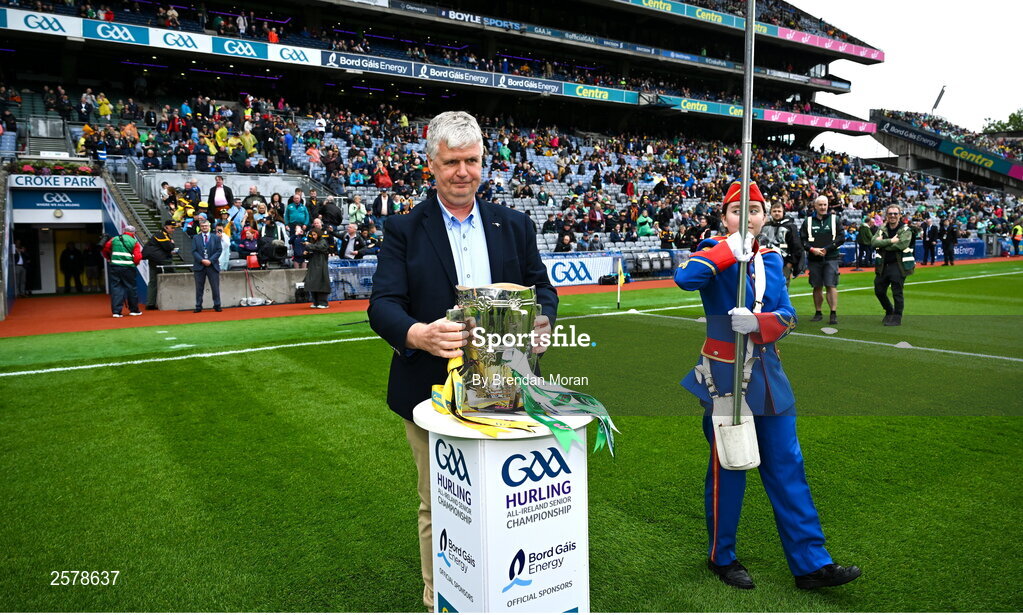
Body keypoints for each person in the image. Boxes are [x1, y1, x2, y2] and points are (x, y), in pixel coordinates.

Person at [367, 110, 557, 612]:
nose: (462, 172)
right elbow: (382, 304)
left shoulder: (514, 225)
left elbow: (542, 288)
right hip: (431, 389)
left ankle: (508, 590)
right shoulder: (403, 228)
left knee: (508, 498)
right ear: (431, 163)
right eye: (452, 162)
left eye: (471, 161)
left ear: (483, 163)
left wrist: (543, 321)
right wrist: (418, 334)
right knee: (440, 501)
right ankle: (440, 595)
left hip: (510, 384)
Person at [674, 181, 861, 591]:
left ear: (765, 216)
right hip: (725, 380)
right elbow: (685, 279)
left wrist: (760, 324)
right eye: (738, 210)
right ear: (725, 217)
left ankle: (811, 564)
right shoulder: (711, 251)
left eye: (755, 210)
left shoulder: (772, 260)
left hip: (769, 378)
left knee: (788, 469)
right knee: (730, 470)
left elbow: (789, 315)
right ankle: (722, 557)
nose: (749, 217)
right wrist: (729, 249)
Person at [800, 196, 842, 324]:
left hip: (831, 257)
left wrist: (826, 249)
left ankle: (833, 313)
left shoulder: (835, 219)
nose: (823, 207)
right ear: (815, 206)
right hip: (814, 259)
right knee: (817, 286)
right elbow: (802, 240)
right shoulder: (808, 221)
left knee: (831, 285)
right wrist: (812, 249)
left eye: (825, 205)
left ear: (828, 205)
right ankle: (818, 312)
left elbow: (841, 238)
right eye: (820, 205)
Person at [871, 205, 915, 326]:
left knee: (897, 291)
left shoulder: (905, 229)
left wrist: (882, 243)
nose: (893, 216)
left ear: (900, 215)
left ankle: (897, 316)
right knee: (879, 290)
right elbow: (873, 242)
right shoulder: (882, 228)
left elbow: (901, 245)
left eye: (895, 213)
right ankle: (889, 310)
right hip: (883, 265)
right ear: (886, 215)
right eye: (890, 213)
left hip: (898, 265)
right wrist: (890, 241)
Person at [101, 226, 143, 317]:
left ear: (124, 231)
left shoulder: (114, 239)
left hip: (115, 266)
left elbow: (105, 249)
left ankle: (116, 312)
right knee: (131, 288)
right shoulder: (134, 242)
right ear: (134, 233)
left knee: (116, 288)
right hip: (128, 268)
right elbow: (138, 257)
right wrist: (135, 263)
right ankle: (134, 310)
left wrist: (109, 259)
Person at [759, 203, 803, 286]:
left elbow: (796, 247)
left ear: (783, 212)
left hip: (784, 263)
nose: (776, 213)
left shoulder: (790, 227)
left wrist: (790, 263)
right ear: (771, 212)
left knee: (782, 287)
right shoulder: (765, 226)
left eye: (779, 211)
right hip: (766, 262)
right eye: (774, 211)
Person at [142, 220, 177, 309]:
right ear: (166, 227)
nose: (173, 230)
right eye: (172, 228)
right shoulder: (161, 234)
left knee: (153, 281)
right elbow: (168, 247)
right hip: (160, 260)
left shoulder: (162, 234)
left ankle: (151, 304)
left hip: (154, 259)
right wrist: (172, 244)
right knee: (172, 277)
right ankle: (171, 301)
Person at [191, 219, 223, 312]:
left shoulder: (216, 237)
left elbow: (219, 250)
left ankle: (217, 305)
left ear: (209, 226)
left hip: (212, 265)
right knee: (199, 287)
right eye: (202, 226)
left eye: (206, 226)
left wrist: (210, 260)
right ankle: (198, 306)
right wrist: (202, 260)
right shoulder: (195, 238)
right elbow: (194, 251)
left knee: (215, 287)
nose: (204, 227)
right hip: (199, 266)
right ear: (200, 227)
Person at [303, 228, 331, 308]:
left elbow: (319, 247)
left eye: (315, 234)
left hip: (321, 265)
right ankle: (316, 302)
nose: (313, 236)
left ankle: (323, 303)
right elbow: (312, 251)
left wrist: (309, 245)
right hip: (313, 265)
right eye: (313, 235)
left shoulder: (323, 241)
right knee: (313, 283)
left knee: (321, 283)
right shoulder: (314, 243)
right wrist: (306, 254)